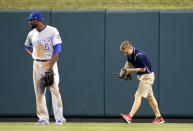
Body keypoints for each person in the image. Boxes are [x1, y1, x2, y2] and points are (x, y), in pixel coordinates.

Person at [24, 12, 66, 125]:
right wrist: (32, 54)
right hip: (37, 64)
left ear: (37, 20)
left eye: (31, 20)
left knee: (54, 90)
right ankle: (43, 118)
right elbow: (26, 47)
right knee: (39, 92)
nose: (29, 22)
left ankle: (59, 118)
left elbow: (57, 51)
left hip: (50, 62)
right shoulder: (31, 34)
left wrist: (50, 68)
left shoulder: (52, 31)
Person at [120, 41, 165, 124]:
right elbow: (128, 62)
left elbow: (143, 69)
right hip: (143, 76)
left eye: (126, 52)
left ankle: (129, 116)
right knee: (150, 97)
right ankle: (159, 117)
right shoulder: (129, 54)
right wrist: (124, 71)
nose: (125, 54)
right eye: (124, 53)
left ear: (130, 48)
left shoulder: (139, 55)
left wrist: (129, 71)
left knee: (138, 95)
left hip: (147, 77)